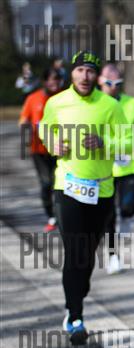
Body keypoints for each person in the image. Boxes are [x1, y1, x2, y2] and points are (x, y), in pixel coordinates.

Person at [38, 51, 130, 345]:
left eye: (90, 71)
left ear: (96, 76)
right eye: (80, 70)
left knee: (87, 255)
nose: (85, 76)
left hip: (101, 190)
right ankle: (75, 316)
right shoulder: (57, 102)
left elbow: (127, 142)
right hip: (67, 187)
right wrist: (53, 144)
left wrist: (104, 143)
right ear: (72, 73)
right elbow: (45, 129)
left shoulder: (110, 105)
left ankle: (78, 292)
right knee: (75, 251)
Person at [97, 64, 134, 275]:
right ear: (100, 81)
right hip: (104, 168)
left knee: (128, 208)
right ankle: (113, 256)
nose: (113, 86)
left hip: (128, 165)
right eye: (109, 82)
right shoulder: (94, 104)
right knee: (108, 215)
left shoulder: (132, 103)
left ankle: (126, 218)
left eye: (118, 83)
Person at [19, 67, 63, 231]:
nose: (54, 83)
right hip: (39, 150)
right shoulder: (33, 98)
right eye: (51, 79)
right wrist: (28, 126)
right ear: (45, 81)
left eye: (57, 79)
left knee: (60, 183)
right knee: (46, 183)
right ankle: (51, 216)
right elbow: (23, 120)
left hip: (60, 149)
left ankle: (61, 216)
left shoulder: (64, 98)